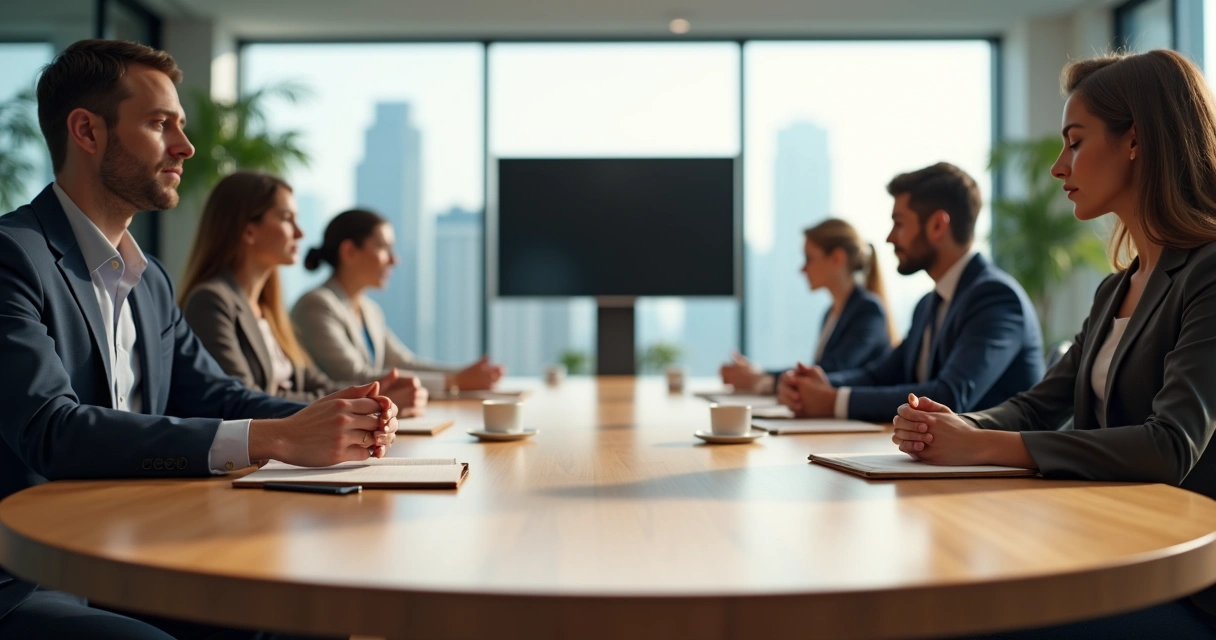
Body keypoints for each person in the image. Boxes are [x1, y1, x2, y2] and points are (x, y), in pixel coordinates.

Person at [0, 39, 398, 639]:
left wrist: (335, 417)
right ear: (86, 131)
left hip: (141, 551)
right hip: (36, 574)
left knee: (309, 615)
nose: (185, 147)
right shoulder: (14, 257)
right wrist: (279, 436)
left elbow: (219, 397)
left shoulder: (149, 279)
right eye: (160, 124)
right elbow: (51, 430)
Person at [894, 50, 1216, 638]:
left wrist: (984, 448)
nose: (1058, 167)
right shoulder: (1115, 288)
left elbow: (1171, 446)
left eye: (1075, 141)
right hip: (1106, 550)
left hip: (1186, 585)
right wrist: (957, 425)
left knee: (967, 618)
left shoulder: (1209, 275)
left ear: (1135, 141)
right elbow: (1041, 404)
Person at [778, 162, 1044, 423]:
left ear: (938, 226)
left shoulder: (995, 298)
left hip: (993, 465)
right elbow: (882, 375)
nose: (890, 238)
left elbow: (949, 396)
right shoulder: (929, 304)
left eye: (899, 223)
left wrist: (833, 401)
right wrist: (821, 382)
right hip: (942, 460)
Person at [179, 173, 427, 414]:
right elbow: (243, 399)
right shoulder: (211, 301)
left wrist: (374, 395)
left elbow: (314, 382)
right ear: (248, 230)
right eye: (287, 219)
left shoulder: (267, 309)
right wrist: (359, 404)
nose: (300, 233)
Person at [291, 208, 504, 394]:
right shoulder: (316, 305)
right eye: (383, 248)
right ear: (349, 251)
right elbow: (353, 377)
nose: (394, 260)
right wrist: (453, 381)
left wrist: (465, 373)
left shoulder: (369, 310)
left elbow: (403, 363)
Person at [720, 217, 895, 392]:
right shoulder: (831, 313)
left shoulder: (868, 310)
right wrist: (757, 374)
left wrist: (760, 378)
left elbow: (832, 370)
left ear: (836, 258)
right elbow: (819, 370)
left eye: (809, 258)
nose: (802, 269)